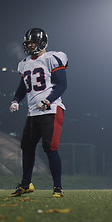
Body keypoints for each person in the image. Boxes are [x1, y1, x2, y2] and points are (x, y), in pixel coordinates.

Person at [9, 28, 68, 198]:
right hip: (33, 112)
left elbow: (62, 85)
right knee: (26, 147)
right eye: (27, 43)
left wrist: (48, 100)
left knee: (50, 147)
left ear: (41, 43)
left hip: (52, 109)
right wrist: (15, 100)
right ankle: (26, 185)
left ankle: (58, 187)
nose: (29, 46)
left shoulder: (53, 58)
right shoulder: (24, 63)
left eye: (32, 42)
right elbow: (23, 87)